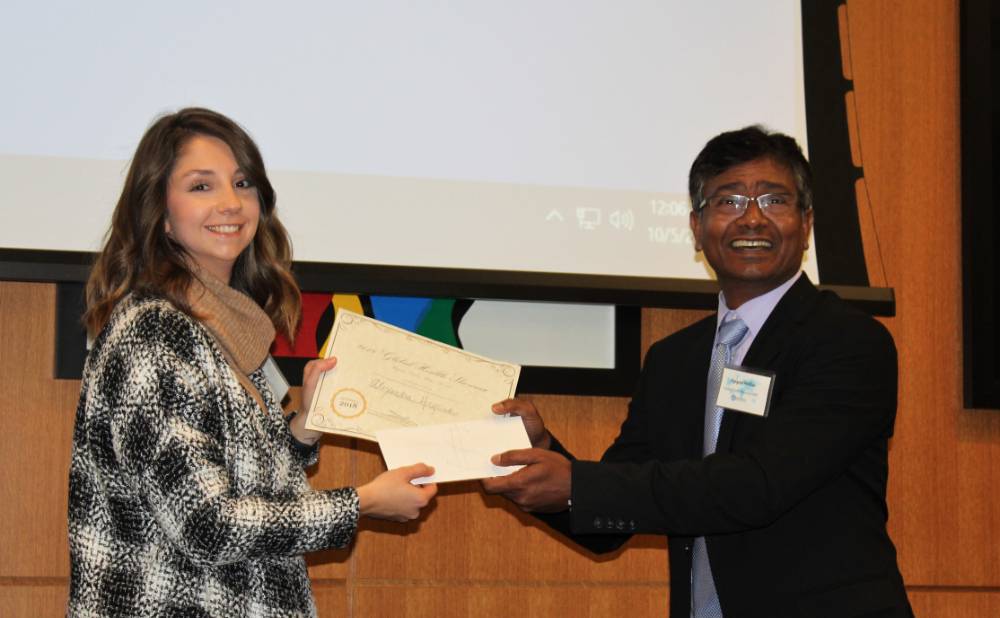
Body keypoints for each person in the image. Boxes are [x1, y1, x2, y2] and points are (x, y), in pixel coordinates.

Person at [483, 126, 913, 617]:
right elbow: (610, 517)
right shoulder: (673, 360)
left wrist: (579, 484)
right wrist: (537, 454)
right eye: (729, 201)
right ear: (696, 226)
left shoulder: (848, 342)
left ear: (807, 221)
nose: (752, 218)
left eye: (774, 200)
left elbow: (757, 486)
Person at [68, 108, 438, 617]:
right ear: (161, 213)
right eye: (201, 186)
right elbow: (208, 525)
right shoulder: (154, 331)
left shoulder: (224, 325)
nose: (231, 202)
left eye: (242, 183)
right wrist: (364, 502)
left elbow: (236, 479)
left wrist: (304, 425)